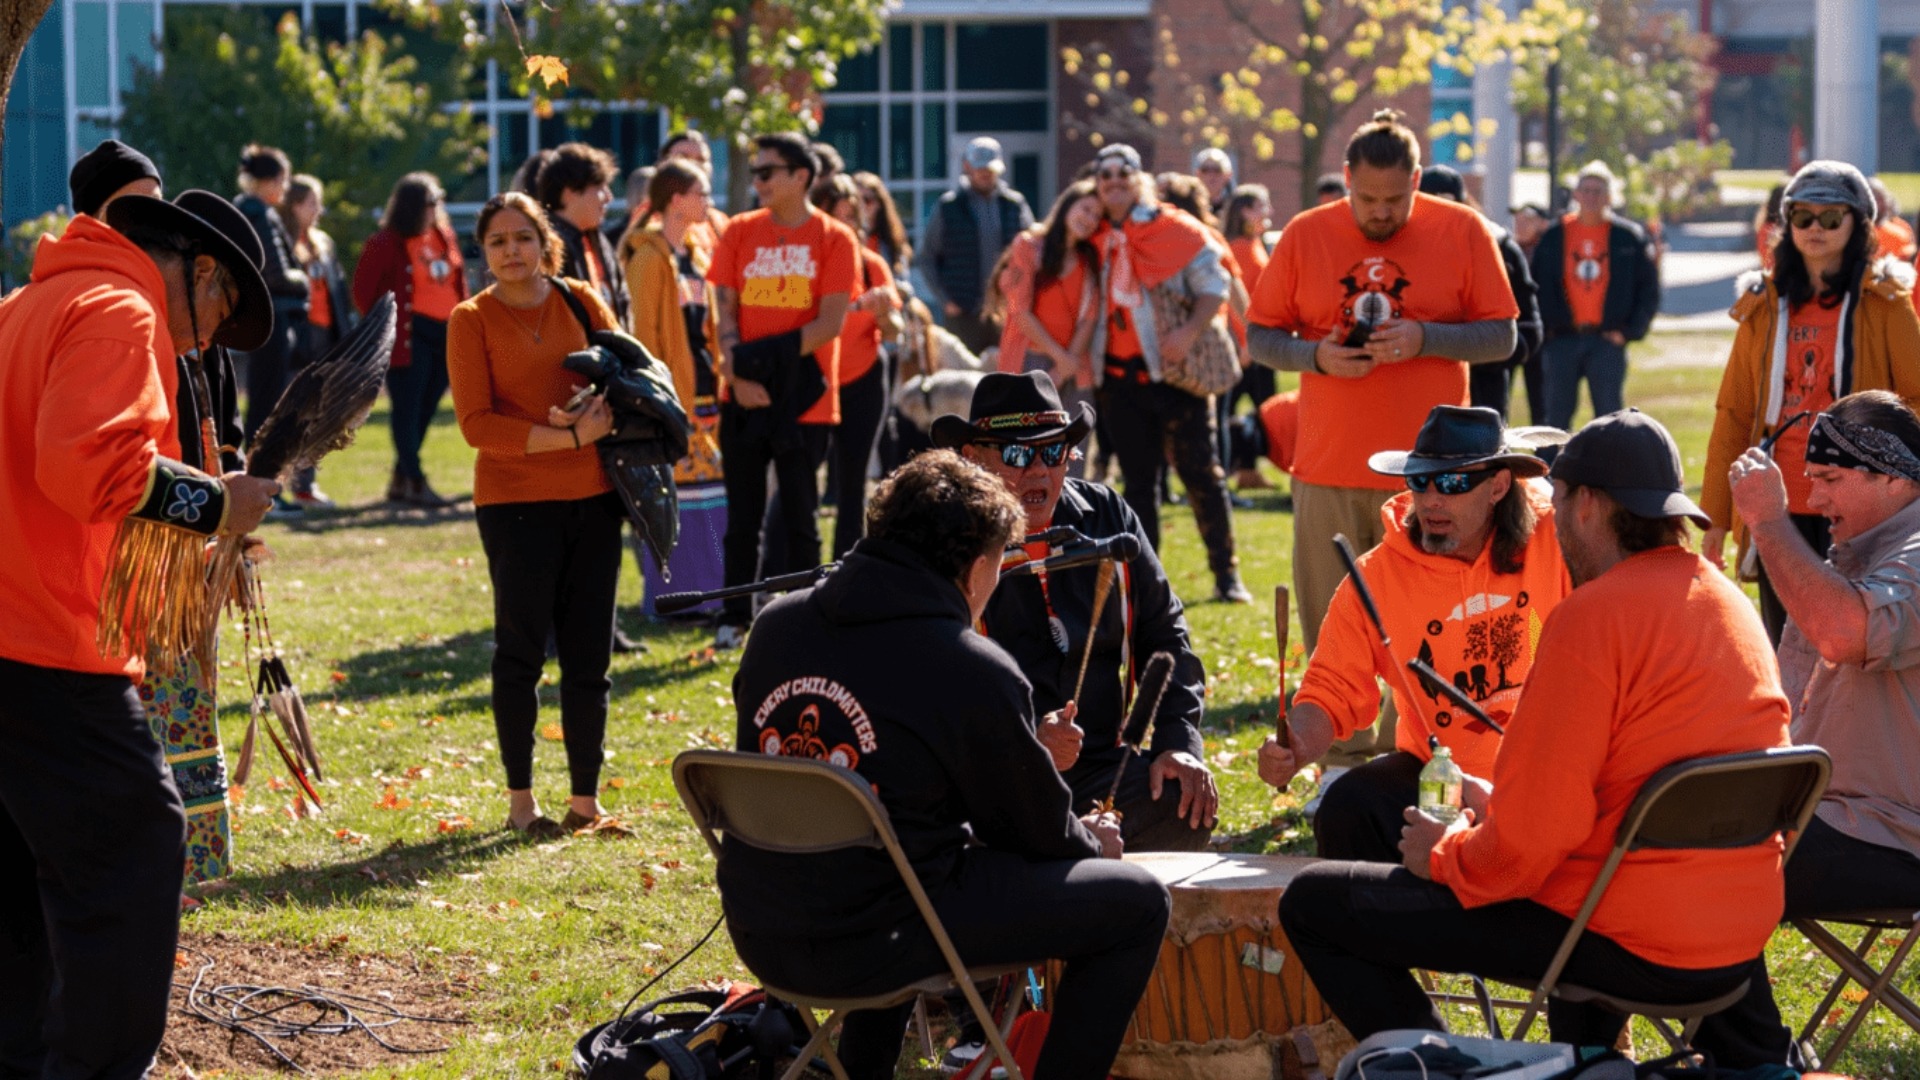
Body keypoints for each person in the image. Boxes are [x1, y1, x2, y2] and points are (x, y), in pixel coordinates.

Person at [1277, 409, 1792, 1050]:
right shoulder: (1729, 604)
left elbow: (1530, 847)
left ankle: (1446, 1064)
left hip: (1614, 925)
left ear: (1587, 507)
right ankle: (1649, 1057)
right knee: (1362, 807)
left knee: (1314, 905)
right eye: (1423, 482)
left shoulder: (1590, 618)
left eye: (1561, 493)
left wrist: (1445, 856)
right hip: (1734, 934)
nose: (1549, 508)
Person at [724, 449, 1168, 1080]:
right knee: (1139, 902)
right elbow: (1039, 835)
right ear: (973, 566)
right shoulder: (966, 664)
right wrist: (1091, 843)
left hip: (767, 928)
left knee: (893, 854)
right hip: (884, 935)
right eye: (999, 563)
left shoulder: (775, 626)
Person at [0, 190, 278, 1079]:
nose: (201, 345)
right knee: (134, 854)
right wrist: (215, 502)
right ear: (196, 271)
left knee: (24, 871)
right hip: (45, 643)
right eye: (218, 314)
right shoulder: (121, 307)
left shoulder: (26, 303)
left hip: (17, 631)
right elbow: (86, 464)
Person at [1246, 108, 1519, 792]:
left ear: (1418, 181)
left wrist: (1426, 338)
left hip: (1436, 477)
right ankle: (1338, 767)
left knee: (1429, 627)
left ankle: (1418, 763)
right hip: (1329, 463)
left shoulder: (1461, 229)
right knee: (1331, 619)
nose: (1379, 213)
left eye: (1395, 200)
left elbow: (1503, 335)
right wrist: (1316, 357)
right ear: (1344, 181)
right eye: (1366, 199)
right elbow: (1260, 337)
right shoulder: (1307, 233)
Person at [1694, 391, 1920, 1067]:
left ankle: (1758, 1057)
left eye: (1829, 479)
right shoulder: (1847, 555)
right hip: (1824, 815)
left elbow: (1844, 630)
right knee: (1645, 838)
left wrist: (1766, 522)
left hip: (1894, 833)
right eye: (1808, 481)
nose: (1813, 500)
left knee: (1690, 873)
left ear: (1896, 478)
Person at [1256, 405, 1570, 862]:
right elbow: (1330, 690)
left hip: (1548, 770)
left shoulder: (1554, 540)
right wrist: (1298, 743)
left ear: (1499, 487)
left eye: (1452, 482)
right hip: (1437, 777)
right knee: (1346, 808)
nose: (1431, 500)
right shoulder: (1377, 577)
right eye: (1419, 480)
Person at [936, 371, 1220, 853]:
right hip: (998, 774)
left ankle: (1069, 850)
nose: (1040, 471)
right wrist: (1028, 744)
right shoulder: (948, 539)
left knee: (1182, 802)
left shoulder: (1107, 515)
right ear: (973, 460)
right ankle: (1064, 850)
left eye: (1054, 452)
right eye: (1018, 454)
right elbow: (939, 689)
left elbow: (1166, 632)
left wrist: (1176, 741)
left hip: (1100, 770)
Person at [446, 192, 626, 840]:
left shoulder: (580, 298)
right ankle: (522, 803)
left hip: (596, 497)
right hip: (515, 502)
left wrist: (592, 406)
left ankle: (585, 802)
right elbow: (476, 424)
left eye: (523, 237)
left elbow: (621, 373)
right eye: (497, 242)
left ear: (543, 240)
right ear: (484, 252)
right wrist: (567, 439)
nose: (512, 251)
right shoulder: (471, 318)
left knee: (589, 658)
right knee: (520, 654)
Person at [1701, 160, 1920, 644]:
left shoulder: (1886, 301)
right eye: (1802, 217)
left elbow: (1916, 401)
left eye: (1831, 217)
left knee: (1853, 639)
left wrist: (1886, 471)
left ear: (1859, 223)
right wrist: (1716, 517)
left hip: (1862, 503)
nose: (1815, 229)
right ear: (1786, 225)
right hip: (1779, 501)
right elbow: (1733, 414)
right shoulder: (1762, 304)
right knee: (1786, 642)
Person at [706, 132, 857, 649]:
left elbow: (830, 324)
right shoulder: (738, 232)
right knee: (742, 518)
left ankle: (804, 617)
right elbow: (724, 310)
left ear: (801, 177)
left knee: (801, 518)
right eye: (755, 173)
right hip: (742, 396)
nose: (758, 182)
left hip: (805, 401)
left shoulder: (835, 238)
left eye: (767, 173)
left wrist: (762, 365)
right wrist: (736, 374)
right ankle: (733, 616)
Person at [1088, 144, 1252, 603]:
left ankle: (1226, 575)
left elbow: (1215, 283)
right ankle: (1146, 585)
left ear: (1140, 178)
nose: (1115, 180)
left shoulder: (1172, 227)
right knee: (1138, 483)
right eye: (1106, 174)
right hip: (1120, 381)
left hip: (1178, 378)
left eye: (1125, 172)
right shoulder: (1091, 234)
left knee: (1202, 475)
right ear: (1097, 184)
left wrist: (1189, 330)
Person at [624, 159, 728, 614]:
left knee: (711, 501)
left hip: (706, 392)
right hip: (671, 399)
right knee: (674, 501)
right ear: (675, 198)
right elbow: (643, 335)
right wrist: (657, 400)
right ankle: (674, 600)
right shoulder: (648, 258)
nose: (708, 200)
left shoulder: (696, 257)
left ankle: (709, 596)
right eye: (700, 191)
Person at [353, 172, 468, 508]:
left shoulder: (443, 236)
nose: (436, 208)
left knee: (428, 406)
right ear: (412, 206)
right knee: (407, 408)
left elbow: (457, 280)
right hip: (409, 335)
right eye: (430, 202)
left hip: (443, 332)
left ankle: (401, 479)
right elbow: (363, 292)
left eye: (438, 201)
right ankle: (415, 480)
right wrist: (381, 330)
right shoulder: (385, 242)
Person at [1529, 160, 1661, 432]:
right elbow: (1535, 286)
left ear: (1610, 197)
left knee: (1611, 419)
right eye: (1585, 190)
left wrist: (1629, 331)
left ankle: (1609, 475)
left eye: (1598, 191)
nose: (1591, 197)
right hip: (1562, 340)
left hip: (1606, 341)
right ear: (1575, 194)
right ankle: (1548, 473)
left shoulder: (1627, 237)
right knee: (1553, 419)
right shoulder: (1555, 235)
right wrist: (1545, 330)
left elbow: (1648, 290)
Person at [813, 173, 903, 558]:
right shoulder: (809, 264)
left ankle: (845, 565)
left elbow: (895, 330)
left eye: (854, 216)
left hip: (864, 376)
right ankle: (787, 567)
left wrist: (883, 313)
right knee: (798, 482)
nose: (849, 224)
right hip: (816, 379)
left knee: (854, 482)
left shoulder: (871, 264)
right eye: (840, 216)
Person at [1419, 165, 1543, 421]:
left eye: (1449, 207)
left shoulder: (1499, 247)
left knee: (1481, 458)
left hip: (1484, 392)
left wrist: (1486, 352)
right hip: (1419, 391)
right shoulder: (1403, 251)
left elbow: (1529, 329)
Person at [233, 143, 318, 508]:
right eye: (282, 181)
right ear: (270, 181)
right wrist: (304, 279)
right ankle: (262, 487)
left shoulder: (244, 209)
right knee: (268, 411)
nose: (284, 190)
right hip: (273, 321)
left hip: (263, 321)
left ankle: (262, 487)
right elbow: (275, 273)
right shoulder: (259, 213)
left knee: (263, 406)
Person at [991, 178, 1101, 455]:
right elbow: (1019, 311)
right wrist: (1058, 360)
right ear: (1067, 204)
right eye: (1086, 209)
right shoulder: (1029, 245)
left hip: (1075, 366)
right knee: (1026, 451)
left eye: (1097, 216)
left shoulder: (1089, 259)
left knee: (1073, 456)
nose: (1090, 219)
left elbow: (1090, 317)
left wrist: (1066, 366)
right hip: (1031, 360)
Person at [915, 136, 1033, 353]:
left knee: (1008, 378)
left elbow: (1032, 253)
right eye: (980, 168)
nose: (985, 174)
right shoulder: (948, 207)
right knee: (964, 381)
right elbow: (927, 257)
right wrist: (945, 300)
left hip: (1007, 309)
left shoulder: (1015, 205)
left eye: (990, 168)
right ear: (967, 167)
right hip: (963, 313)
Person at [537, 141, 629, 327]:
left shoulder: (597, 239)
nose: (609, 197)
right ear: (569, 192)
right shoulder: (545, 245)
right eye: (600, 187)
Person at [1223, 184, 1278, 490]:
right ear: (1245, 211)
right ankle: (1234, 468)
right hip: (1247, 345)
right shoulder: (1240, 247)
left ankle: (1246, 469)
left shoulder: (1254, 243)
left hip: (1259, 341)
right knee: (1238, 409)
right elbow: (1236, 301)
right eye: (1262, 206)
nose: (1268, 212)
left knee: (1263, 408)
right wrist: (1245, 343)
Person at [285, 175, 354, 374]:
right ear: (295, 206)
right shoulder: (283, 243)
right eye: (312, 203)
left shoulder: (323, 243)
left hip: (328, 333)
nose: (319, 210)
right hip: (300, 334)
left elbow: (339, 291)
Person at [851, 171, 911, 279]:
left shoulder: (891, 240)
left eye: (867, 200)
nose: (861, 206)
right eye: (856, 200)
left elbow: (901, 277)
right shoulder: (843, 235)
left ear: (879, 203)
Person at [1869, 176, 1917, 262]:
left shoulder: (1901, 233)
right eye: (1873, 198)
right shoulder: (1855, 231)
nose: (1877, 203)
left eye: (1879, 198)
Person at [1193, 146, 1234, 218]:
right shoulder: (1190, 206)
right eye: (1205, 170)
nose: (1211, 175)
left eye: (1217, 170)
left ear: (1228, 175)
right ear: (1198, 174)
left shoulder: (1234, 208)